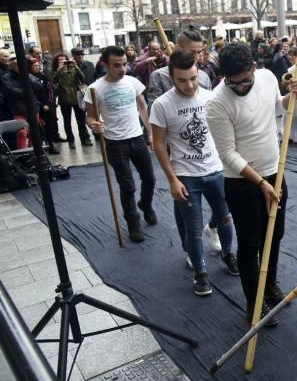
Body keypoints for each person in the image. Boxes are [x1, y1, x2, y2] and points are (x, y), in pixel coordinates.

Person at [206, 42, 297, 322]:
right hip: (242, 182)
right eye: (232, 83)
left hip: (276, 170)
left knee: (274, 235)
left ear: (253, 67)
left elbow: (275, 107)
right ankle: (254, 301)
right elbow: (227, 154)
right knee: (249, 244)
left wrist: (292, 96)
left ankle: (269, 284)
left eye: (244, 81)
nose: (239, 88)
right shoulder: (216, 103)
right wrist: (260, 183)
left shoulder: (268, 78)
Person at [150, 50, 239, 296]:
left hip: (217, 170)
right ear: (171, 77)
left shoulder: (212, 97)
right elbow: (158, 144)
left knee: (225, 217)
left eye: (193, 78)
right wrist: (172, 179)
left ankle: (228, 254)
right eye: (182, 80)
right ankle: (200, 272)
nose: (189, 85)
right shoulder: (161, 105)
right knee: (193, 228)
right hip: (186, 175)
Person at [86, 46, 156, 243]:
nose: (122, 68)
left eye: (124, 64)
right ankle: (133, 223)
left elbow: (142, 107)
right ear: (105, 65)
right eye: (117, 65)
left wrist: (150, 132)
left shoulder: (133, 82)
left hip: (137, 138)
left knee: (150, 178)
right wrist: (94, 125)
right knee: (127, 185)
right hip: (115, 143)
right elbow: (90, 117)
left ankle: (146, 204)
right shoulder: (95, 89)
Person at [53, 54, 92, 149]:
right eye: (60, 61)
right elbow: (53, 80)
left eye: (64, 60)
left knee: (81, 121)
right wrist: (59, 69)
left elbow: (83, 78)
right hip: (64, 99)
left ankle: (85, 139)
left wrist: (76, 66)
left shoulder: (73, 69)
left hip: (76, 98)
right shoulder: (57, 71)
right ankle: (71, 140)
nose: (63, 62)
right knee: (67, 122)